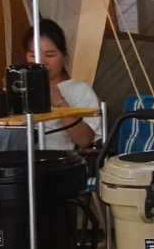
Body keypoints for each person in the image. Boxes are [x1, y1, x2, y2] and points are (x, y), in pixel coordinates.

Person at [23, 19, 102, 152]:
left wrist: (60, 102)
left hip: (59, 159)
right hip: (21, 155)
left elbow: (84, 140)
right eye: (33, 55)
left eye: (50, 55)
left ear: (64, 55)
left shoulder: (79, 90)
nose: (41, 62)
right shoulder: (20, 89)